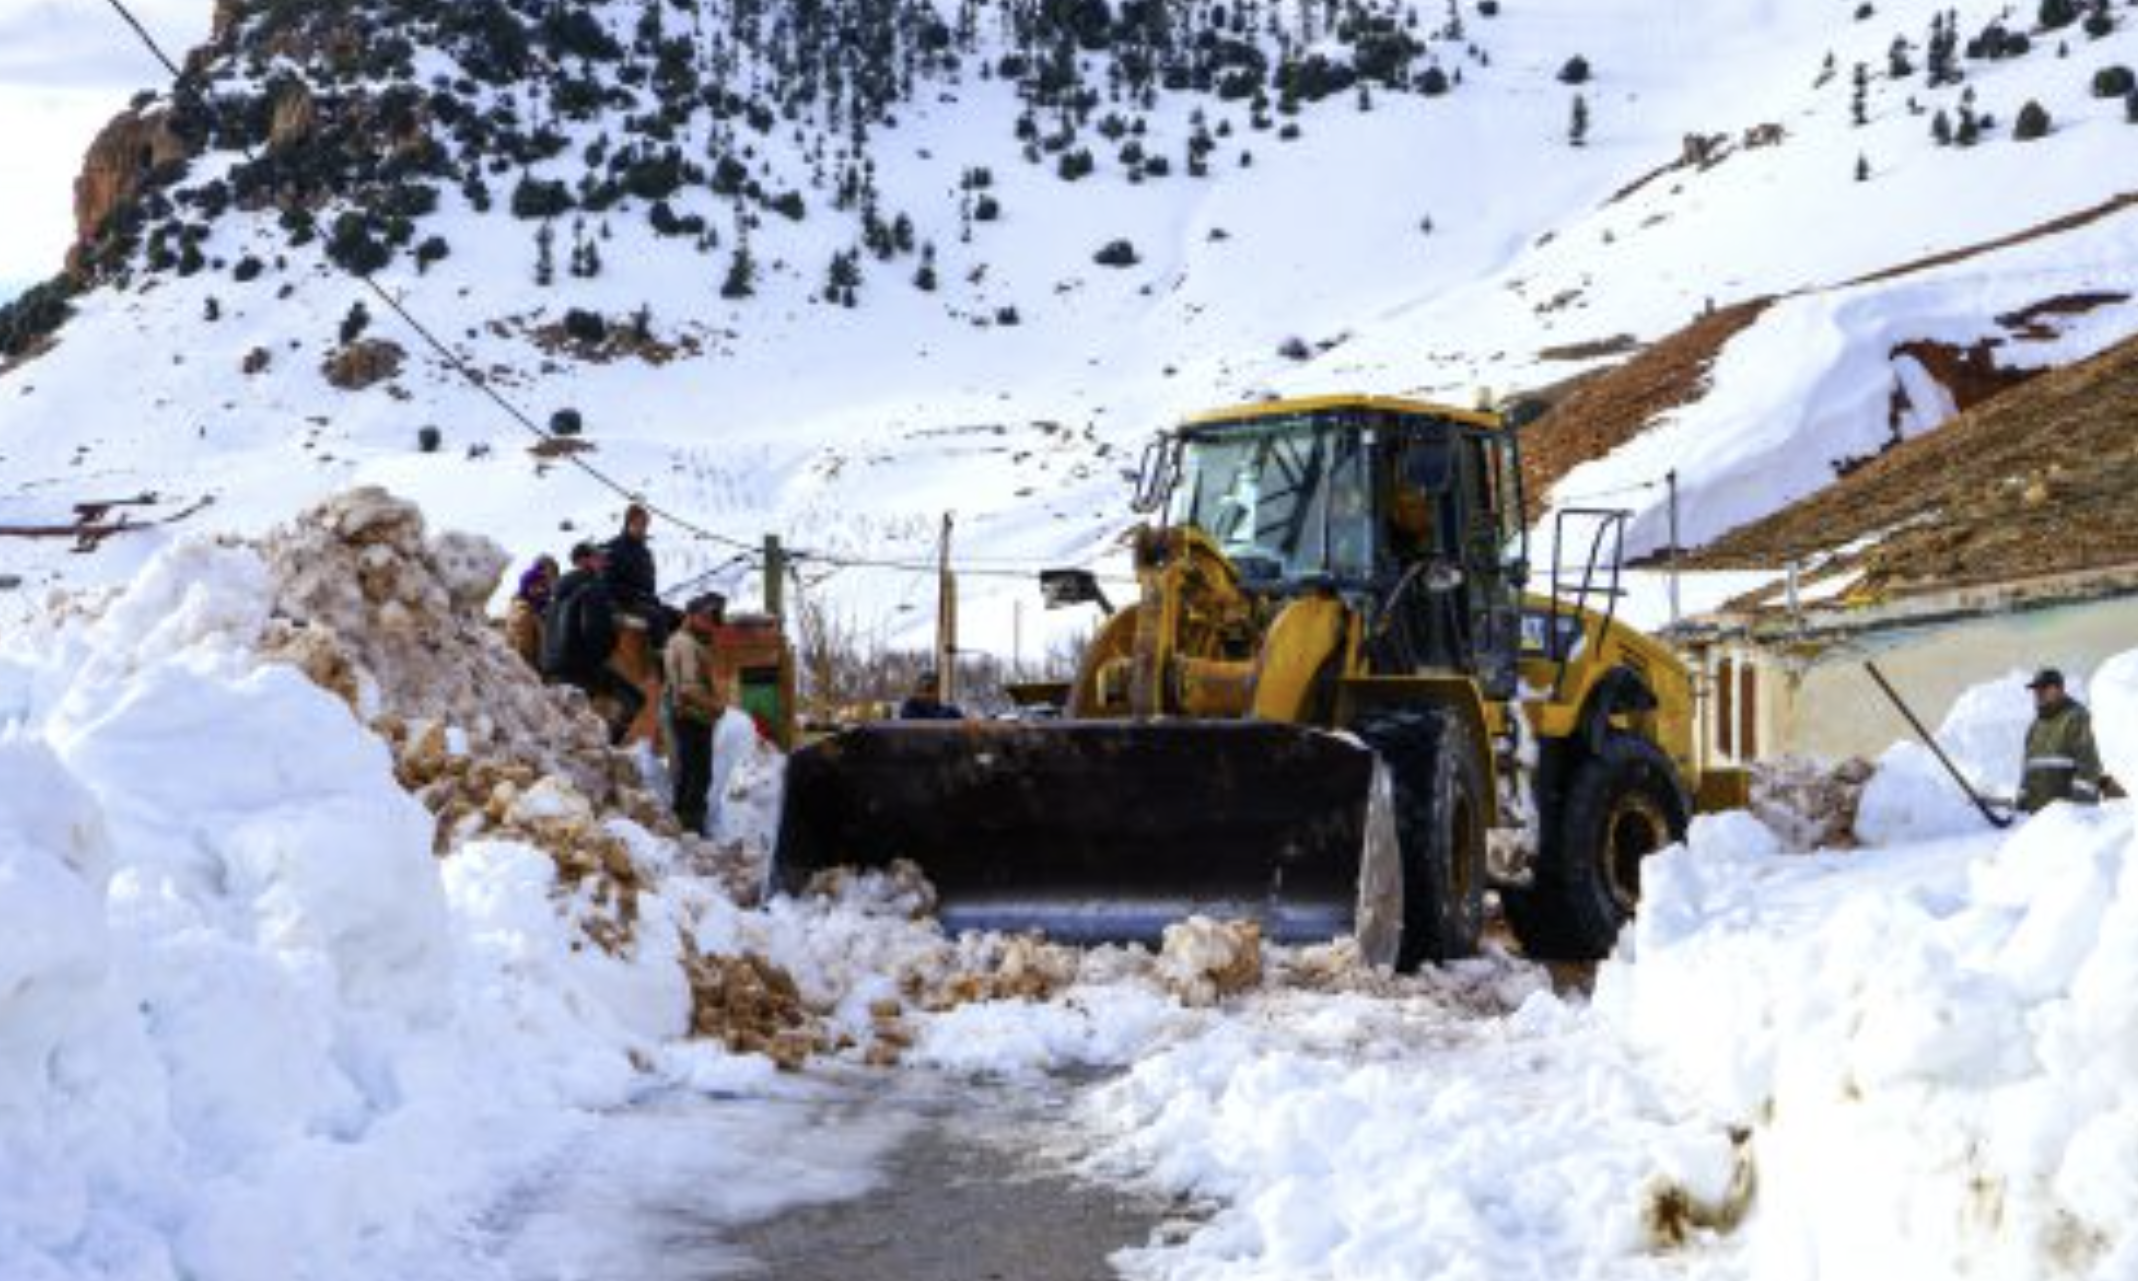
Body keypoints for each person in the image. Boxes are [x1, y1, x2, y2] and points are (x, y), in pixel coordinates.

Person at [542, 542, 646, 745]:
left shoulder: (558, 590)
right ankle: (605, 746)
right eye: (598, 558)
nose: (603, 562)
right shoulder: (592, 587)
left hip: (553, 667)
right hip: (581, 666)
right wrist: (612, 635)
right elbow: (595, 632)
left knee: (572, 723)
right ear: (583, 561)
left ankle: (593, 749)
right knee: (634, 700)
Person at [663, 593, 728, 836]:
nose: (712, 625)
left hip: (691, 715)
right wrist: (718, 708)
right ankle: (691, 830)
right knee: (696, 774)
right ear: (692, 616)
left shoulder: (687, 641)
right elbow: (689, 688)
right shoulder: (686, 644)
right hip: (690, 715)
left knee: (690, 772)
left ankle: (686, 826)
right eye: (708, 618)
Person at [2017, 669, 2122, 813]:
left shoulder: (2077, 718)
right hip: (2038, 823)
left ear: (2059, 689)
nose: (2038, 694)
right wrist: (2020, 807)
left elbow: (2088, 767)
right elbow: (2028, 773)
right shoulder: (2035, 727)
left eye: (2044, 688)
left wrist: (2078, 814)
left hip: (2067, 822)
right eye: (2036, 690)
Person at [604, 503, 671, 646]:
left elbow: (649, 584)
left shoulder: (644, 552)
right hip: (622, 604)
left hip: (644, 602)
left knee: (675, 615)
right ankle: (661, 657)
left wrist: (650, 598)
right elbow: (607, 584)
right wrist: (636, 594)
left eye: (645, 525)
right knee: (656, 618)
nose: (643, 528)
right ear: (629, 523)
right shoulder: (614, 548)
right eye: (639, 524)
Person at [506, 554, 558, 669]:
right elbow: (523, 651)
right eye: (539, 586)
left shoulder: (538, 607)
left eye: (552, 578)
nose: (546, 588)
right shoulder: (524, 611)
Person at [897, 670, 965, 721]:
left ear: (938, 692)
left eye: (930, 690)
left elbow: (966, 722)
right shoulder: (909, 709)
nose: (925, 695)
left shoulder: (950, 711)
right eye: (920, 690)